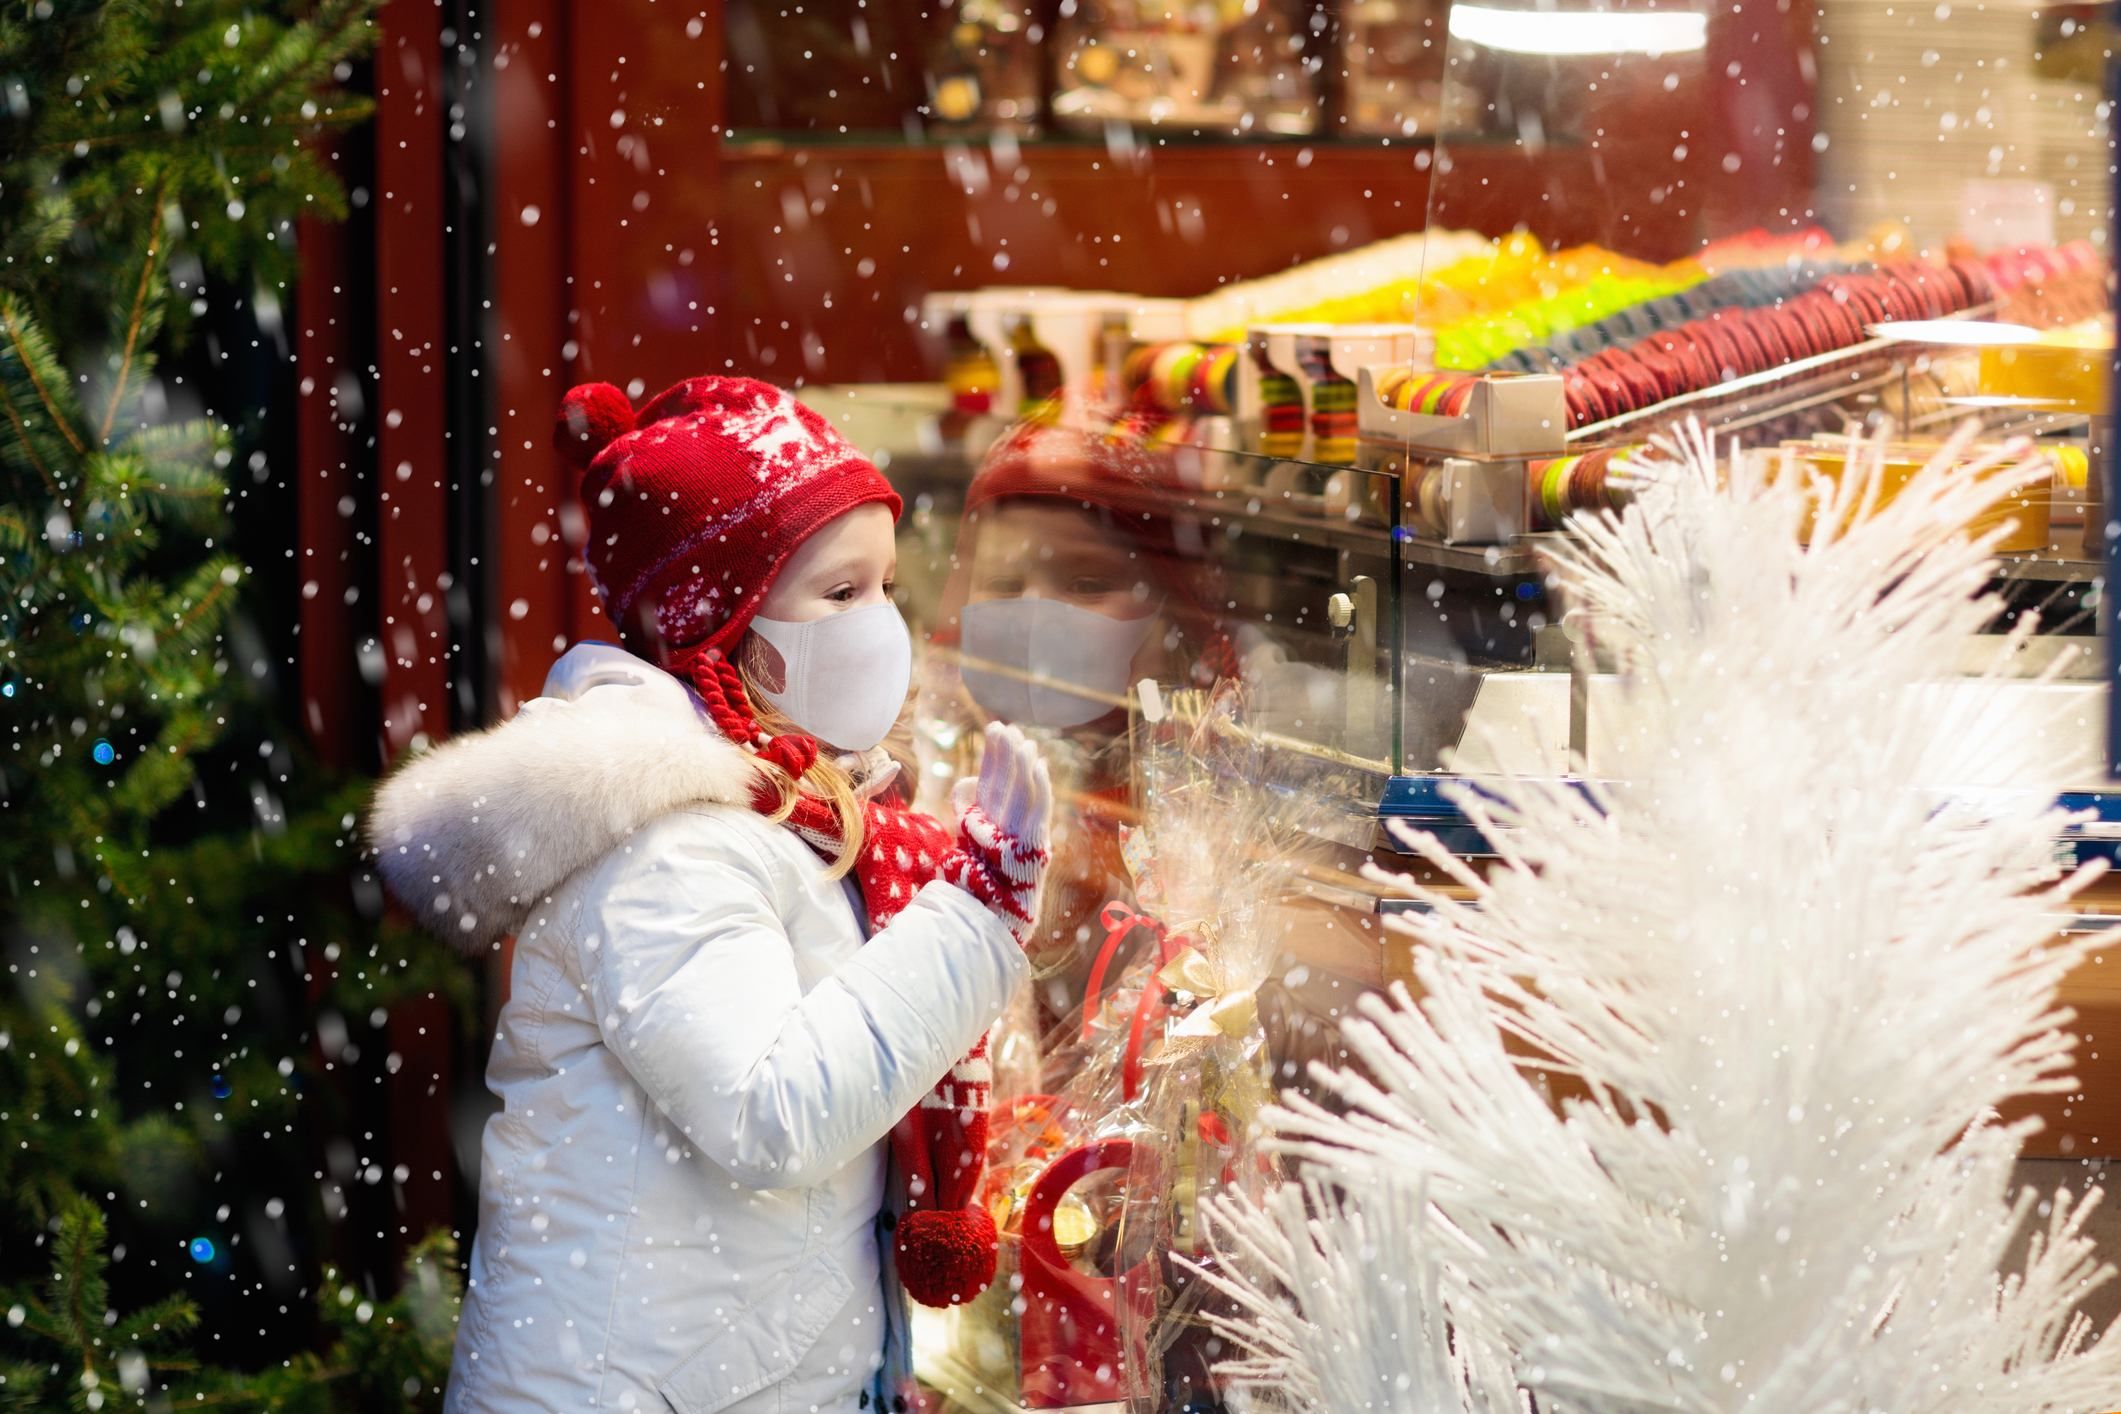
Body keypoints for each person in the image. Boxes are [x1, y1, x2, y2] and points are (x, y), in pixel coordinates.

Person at [369, 376, 1053, 1413]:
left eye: (885, 587)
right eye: (840, 592)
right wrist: (972, 918)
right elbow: (771, 1114)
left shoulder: (788, 800)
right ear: (717, 620)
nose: (881, 624)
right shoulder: (667, 844)